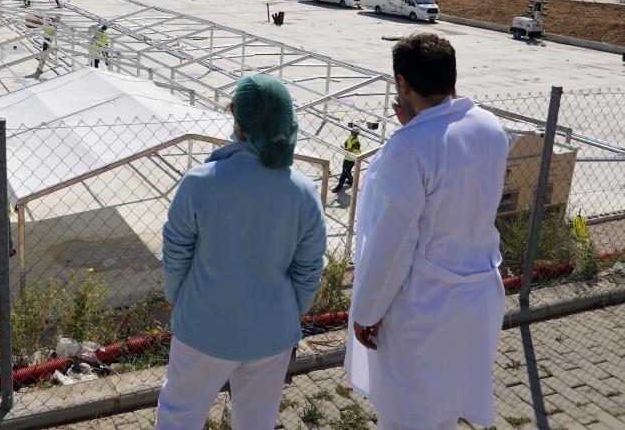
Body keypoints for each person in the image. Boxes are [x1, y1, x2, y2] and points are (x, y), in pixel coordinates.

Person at [346, 33, 509, 430]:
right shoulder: (489, 127)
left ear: (402, 84)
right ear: (452, 76)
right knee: (445, 412)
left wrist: (367, 311)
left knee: (408, 416)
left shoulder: (410, 148)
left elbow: (394, 243)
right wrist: (418, 124)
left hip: (424, 307)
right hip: (476, 298)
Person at [155, 74, 327, 430]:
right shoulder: (303, 190)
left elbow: (176, 253)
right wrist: (288, 312)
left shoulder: (200, 181)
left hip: (203, 326)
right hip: (271, 333)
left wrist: (176, 298)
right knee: (256, 420)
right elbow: (309, 268)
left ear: (239, 122)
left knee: (179, 414)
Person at [332, 123, 362, 192]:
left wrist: (345, 149)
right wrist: (344, 146)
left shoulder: (357, 142)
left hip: (352, 159)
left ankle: (339, 186)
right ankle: (351, 181)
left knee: (344, 172)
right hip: (347, 157)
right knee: (347, 171)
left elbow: (352, 149)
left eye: (353, 132)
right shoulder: (350, 137)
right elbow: (346, 143)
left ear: (357, 134)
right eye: (351, 131)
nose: (351, 132)